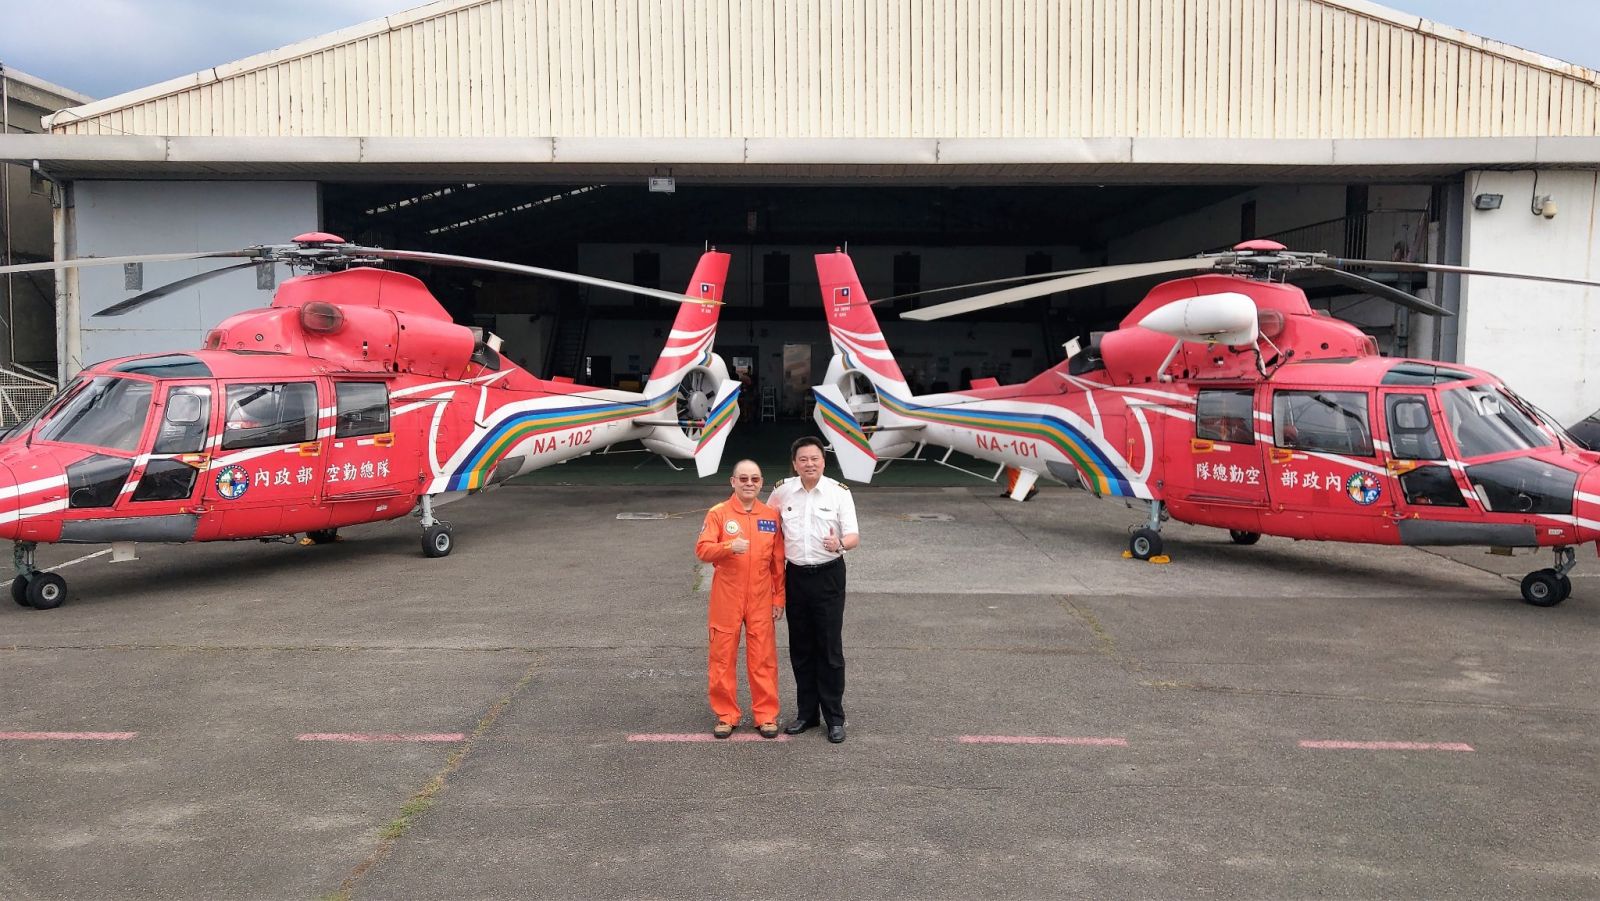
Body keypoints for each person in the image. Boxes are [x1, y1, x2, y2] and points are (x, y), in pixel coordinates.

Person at [768, 436, 860, 743]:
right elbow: (766, 525)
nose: (809, 464)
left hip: (828, 575)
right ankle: (806, 714)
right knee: (801, 647)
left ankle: (834, 718)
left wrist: (839, 543)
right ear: (795, 464)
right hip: (795, 576)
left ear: (823, 461)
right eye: (803, 459)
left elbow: (854, 536)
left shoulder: (839, 492)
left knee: (829, 648)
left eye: (815, 459)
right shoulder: (782, 491)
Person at [695, 459, 787, 738]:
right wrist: (728, 546)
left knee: (763, 658)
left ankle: (766, 715)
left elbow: (777, 562)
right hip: (727, 596)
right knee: (722, 656)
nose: (749, 484)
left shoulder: (770, 516)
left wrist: (778, 599)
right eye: (743, 479)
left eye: (755, 479)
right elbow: (702, 549)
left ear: (761, 483)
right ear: (732, 482)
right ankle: (726, 715)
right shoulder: (718, 514)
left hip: (761, 596)